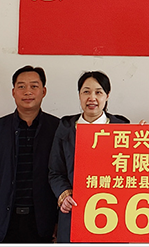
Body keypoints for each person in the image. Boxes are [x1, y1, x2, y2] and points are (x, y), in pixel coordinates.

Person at [0, 66, 59, 243]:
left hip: (44, 222)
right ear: (13, 92)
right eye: (21, 86)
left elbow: (63, 177)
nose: (27, 92)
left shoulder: (57, 128)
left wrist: (62, 222)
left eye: (34, 86)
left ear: (43, 91)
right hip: (4, 222)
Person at [48, 71, 130, 243]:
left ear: (107, 95)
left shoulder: (122, 128)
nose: (92, 98)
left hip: (113, 214)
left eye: (98, 92)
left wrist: (145, 138)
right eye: (86, 91)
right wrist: (64, 194)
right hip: (74, 212)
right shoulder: (65, 128)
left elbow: (134, 170)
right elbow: (55, 172)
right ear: (79, 94)